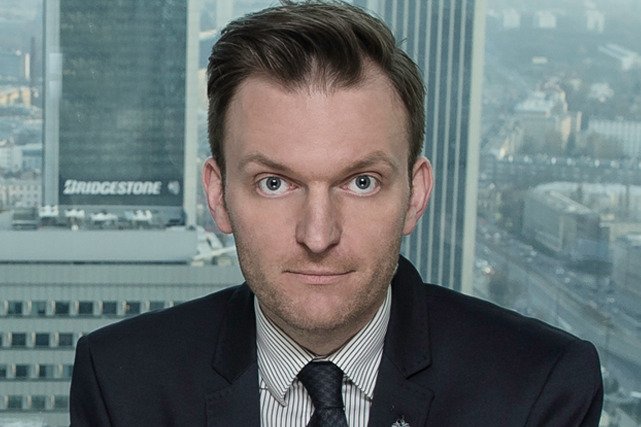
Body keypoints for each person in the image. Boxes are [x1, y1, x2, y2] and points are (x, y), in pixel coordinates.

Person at [70, 1, 603, 426]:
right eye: (274, 183)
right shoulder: (122, 383)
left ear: (415, 195)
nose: (318, 234)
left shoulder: (539, 388)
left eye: (361, 182)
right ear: (218, 195)